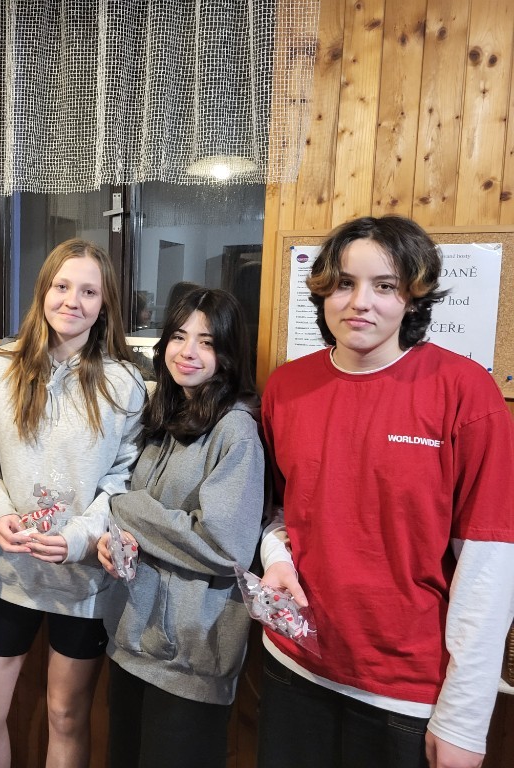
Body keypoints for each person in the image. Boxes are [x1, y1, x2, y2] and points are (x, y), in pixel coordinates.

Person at [258, 216, 514, 768]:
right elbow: (280, 512)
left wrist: (465, 719)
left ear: (413, 297)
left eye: (385, 285)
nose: (360, 302)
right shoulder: (286, 387)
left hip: (406, 690)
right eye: (344, 283)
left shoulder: (464, 391)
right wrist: (277, 559)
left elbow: (489, 560)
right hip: (294, 661)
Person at [0, 238, 147, 768]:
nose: (73, 301)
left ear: (105, 303)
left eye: (89, 291)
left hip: (83, 580)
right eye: (62, 286)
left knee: (66, 715)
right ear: (43, 290)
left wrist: (78, 538)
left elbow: (123, 481)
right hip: (9, 571)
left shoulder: (126, 384)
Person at [97, 287, 266, 768]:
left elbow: (223, 544)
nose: (188, 351)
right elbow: (149, 526)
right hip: (132, 639)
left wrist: (124, 509)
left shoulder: (236, 431)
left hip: (191, 656)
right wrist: (114, 540)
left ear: (228, 354)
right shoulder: (164, 415)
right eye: (178, 336)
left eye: (207, 342)